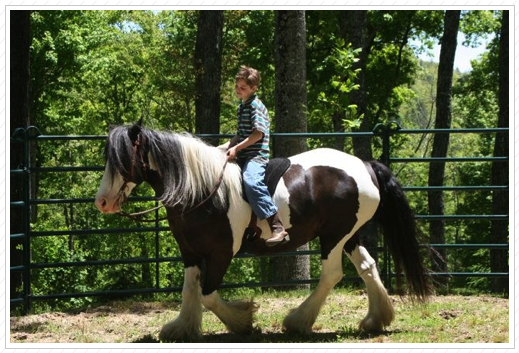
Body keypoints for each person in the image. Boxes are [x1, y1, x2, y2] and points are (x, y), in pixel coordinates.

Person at [222, 66, 289, 246]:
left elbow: (257, 135)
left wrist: (236, 149)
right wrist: (226, 146)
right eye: (237, 86)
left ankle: (277, 226)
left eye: (243, 87)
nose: (238, 90)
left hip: (255, 156)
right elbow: (240, 134)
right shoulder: (242, 106)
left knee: (251, 181)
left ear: (253, 88)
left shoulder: (255, 106)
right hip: (243, 153)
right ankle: (244, 224)